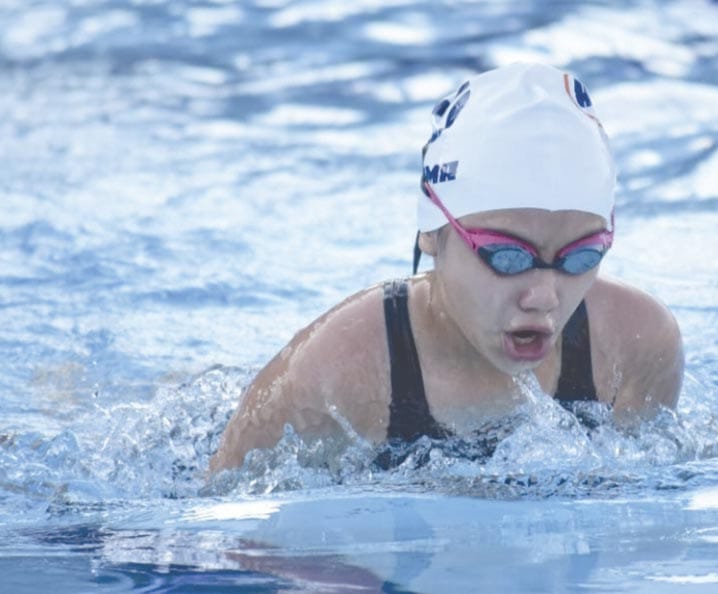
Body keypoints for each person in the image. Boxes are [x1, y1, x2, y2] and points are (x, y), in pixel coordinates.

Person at [209, 63, 683, 473]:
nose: (544, 296)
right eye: (507, 256)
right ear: (433, 233)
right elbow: (224, 534)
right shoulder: (338, 372)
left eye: (581, 256)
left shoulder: (635, 347)